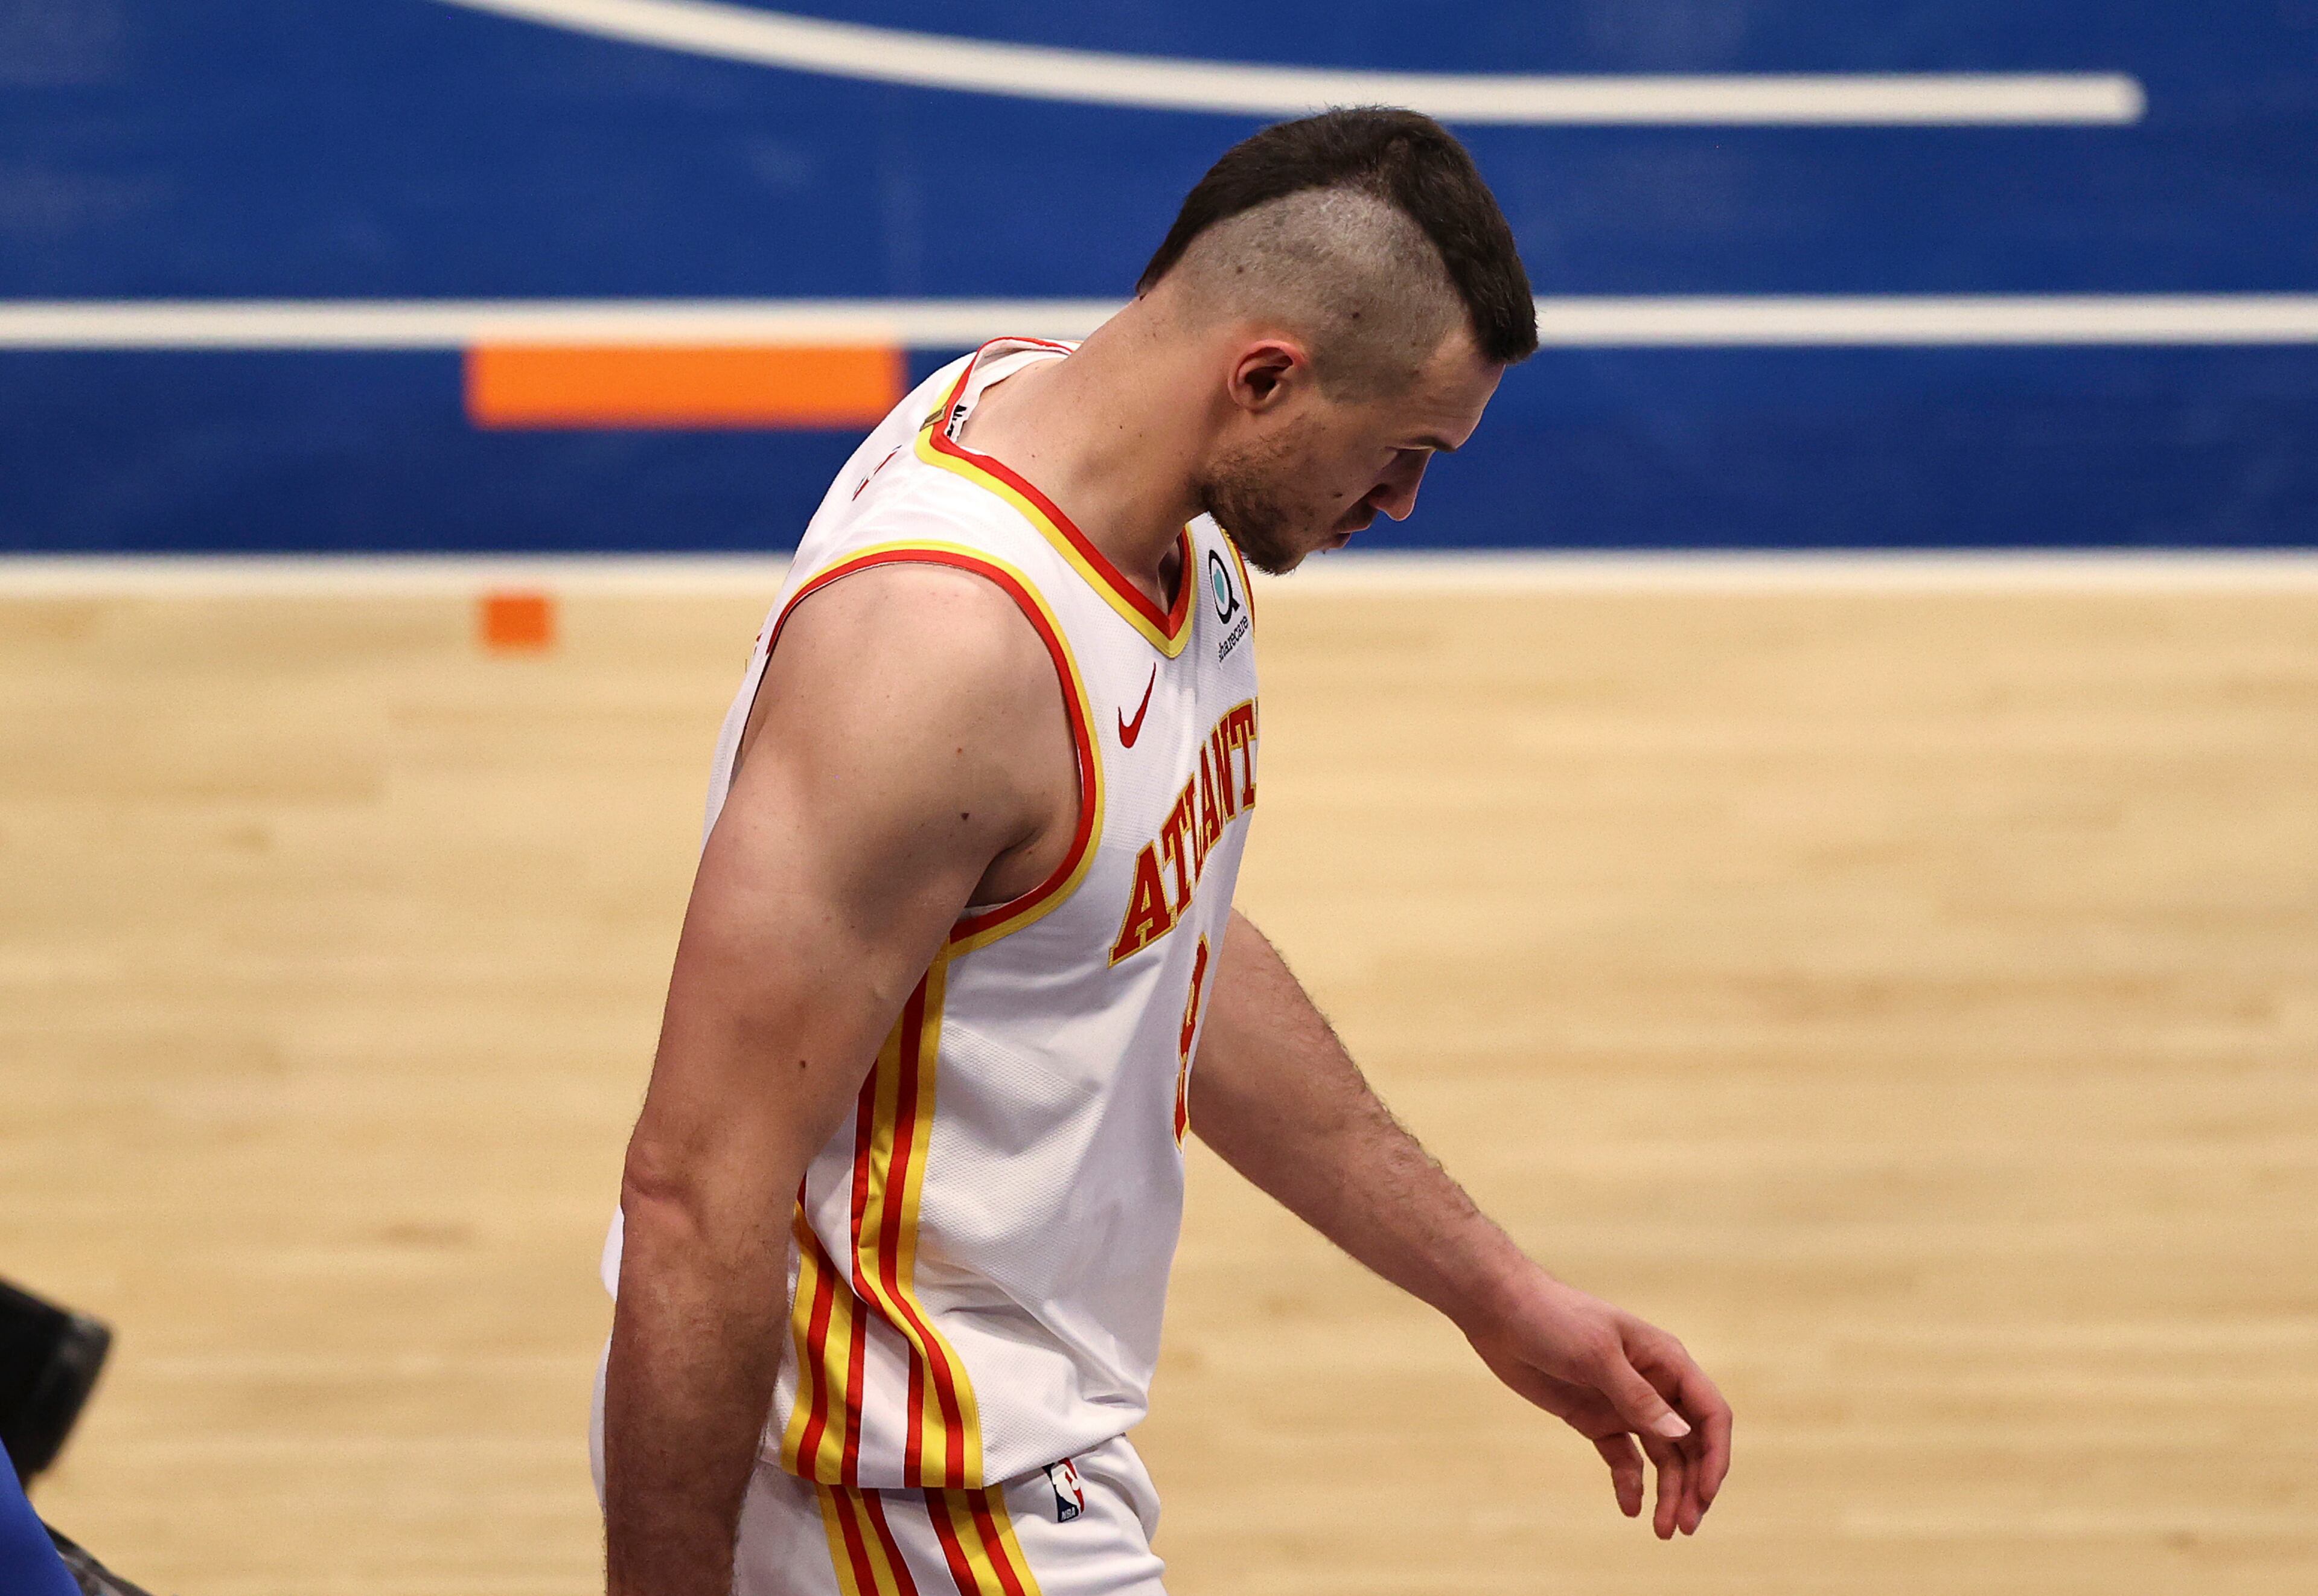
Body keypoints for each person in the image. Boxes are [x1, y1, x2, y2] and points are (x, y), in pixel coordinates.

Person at [596, 107, 1732, 1596]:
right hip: (895, 1498)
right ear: (1265, 375)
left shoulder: (1131, 492)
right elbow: (694, 1189)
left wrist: (1495, 1290)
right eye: (1398, 452)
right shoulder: (943, 656)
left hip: (1007, 1453)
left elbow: (1150, 935)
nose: (1400, 503)